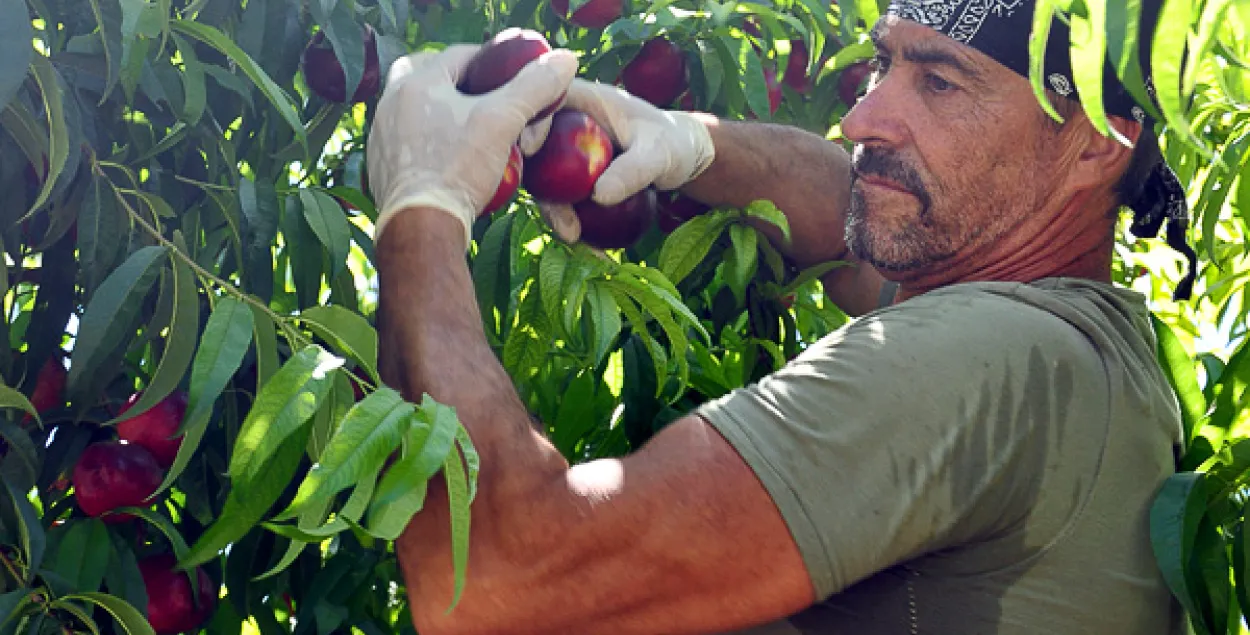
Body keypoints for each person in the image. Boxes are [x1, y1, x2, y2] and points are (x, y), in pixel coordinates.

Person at [364, 0, 1192, 632]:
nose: (862, 118)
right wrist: (688, 140)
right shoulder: (1077, 339)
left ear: (1093, 146)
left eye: (940, 82)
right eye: (884, 65)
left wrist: (422, 210)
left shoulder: (985, 357)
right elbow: (845, 204)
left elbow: (500, 585)